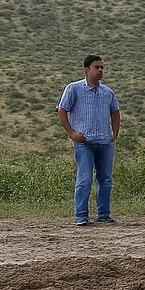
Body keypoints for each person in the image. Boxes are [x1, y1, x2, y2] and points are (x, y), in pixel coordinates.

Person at [58, 55, 120, 226]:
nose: (100, 70)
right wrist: (71, 133)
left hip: (105, 142)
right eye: (96, 67)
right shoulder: (73, 89)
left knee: (105, 179)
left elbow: (115, 112)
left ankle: (103, 214)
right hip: (84, 143)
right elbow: (62, 110)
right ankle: (82, 215)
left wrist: (114, 134)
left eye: (102, 67)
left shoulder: (108, 92)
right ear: (86, 69)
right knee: (84, 179)